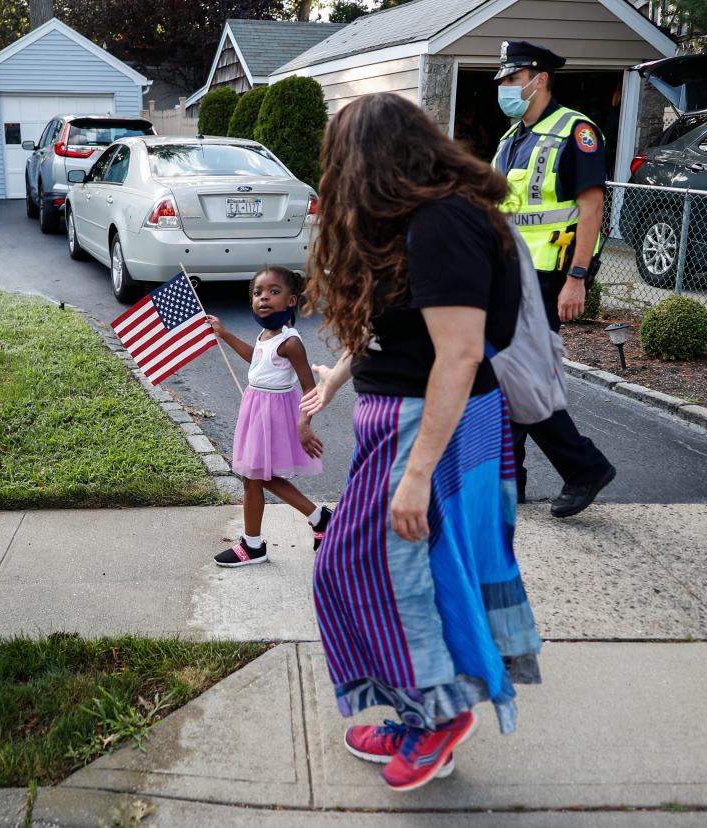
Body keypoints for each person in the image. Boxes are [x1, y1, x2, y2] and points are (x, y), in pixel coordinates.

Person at [302, 93, 542, 792]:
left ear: (370, 161)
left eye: (340, 157)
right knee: (407, 579)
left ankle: (436, 718)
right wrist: (339, 380)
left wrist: (415, 475)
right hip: (404, 417)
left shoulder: (444, 224)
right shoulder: (417, 220)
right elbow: (396, 326)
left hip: (427, 428)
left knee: (371, 576)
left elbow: (461, 353)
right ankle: (420, 711)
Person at [492, 40, 617, 517]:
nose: (504, 87)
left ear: (538, 78)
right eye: (503, 80)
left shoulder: (575, 131)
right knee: (508, 377)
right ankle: (511, 479)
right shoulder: (511, 138)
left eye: (512, 78)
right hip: (508, 277)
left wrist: (577, 278)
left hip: (548, 278)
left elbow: (591, 208)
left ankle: (584, 467)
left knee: (521, 380)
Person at [206, 266, 331, 568]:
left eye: (273, 292)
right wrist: (224, 334)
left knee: (254, 476)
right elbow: (258, 359)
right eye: (257, 293)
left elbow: (309, 388)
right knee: (254, 476)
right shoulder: (266, 334)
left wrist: (304, 424)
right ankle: (319, 519)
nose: (263, 298)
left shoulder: (291, 342)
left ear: (291, 301)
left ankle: (254, 545)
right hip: (256, 408)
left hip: (273, 413)